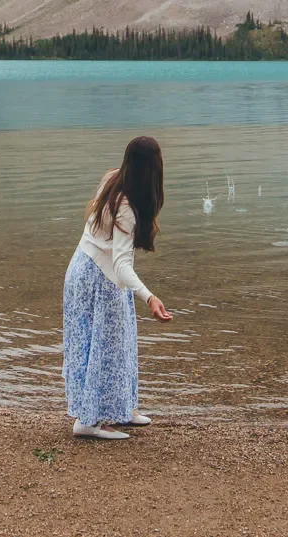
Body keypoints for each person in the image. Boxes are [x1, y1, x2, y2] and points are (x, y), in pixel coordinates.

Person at [62, 135, 173, 440]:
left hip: (82, 269)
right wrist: (150, 298)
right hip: (100, 278)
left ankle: (121, 409)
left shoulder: (112, 179)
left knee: (114, 343)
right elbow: (122, 265)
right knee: (103, 347)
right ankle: (89, 421)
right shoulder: (126, 206)